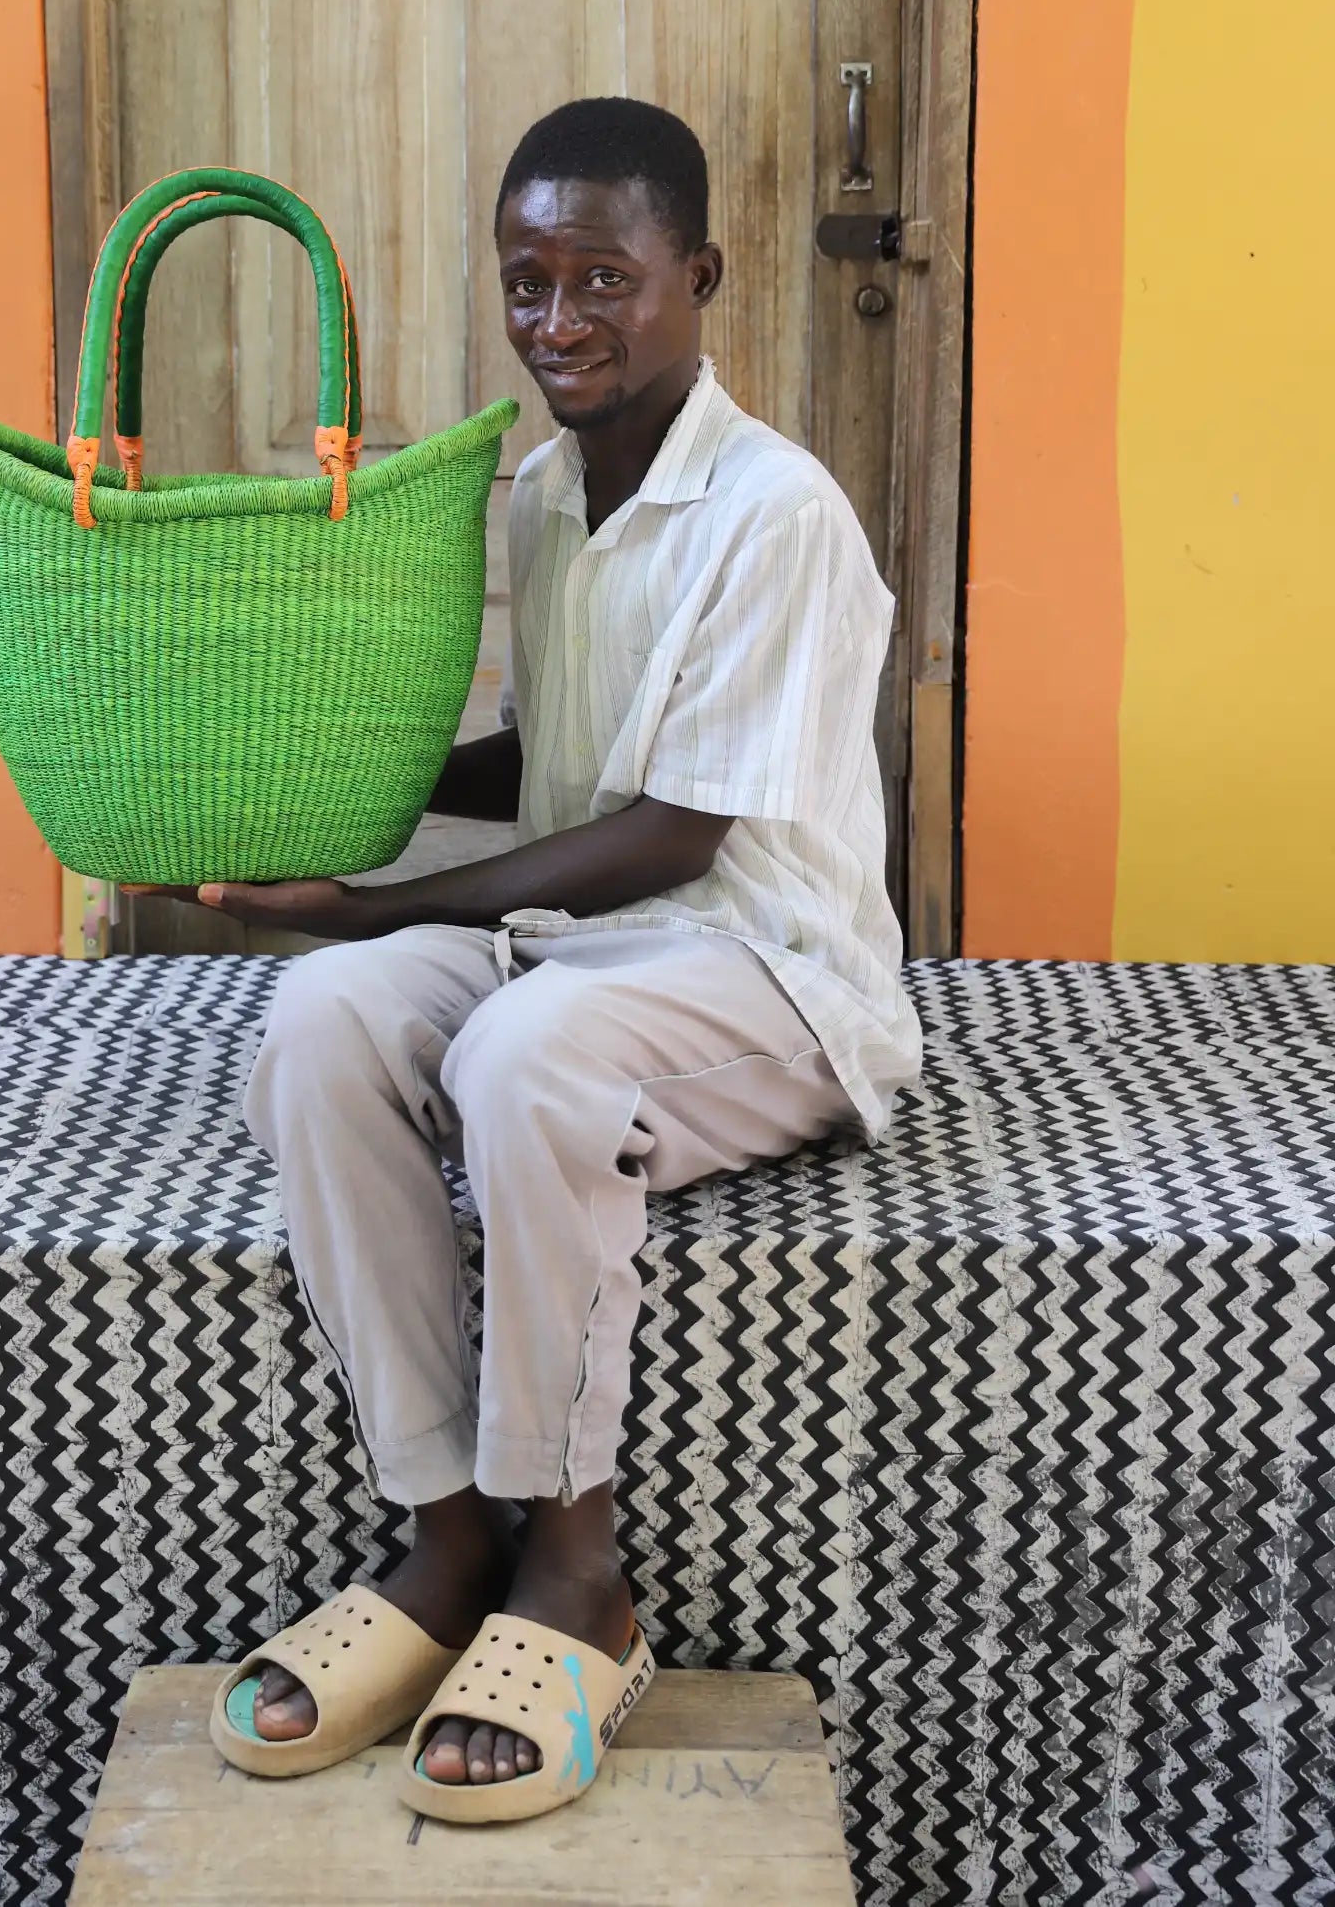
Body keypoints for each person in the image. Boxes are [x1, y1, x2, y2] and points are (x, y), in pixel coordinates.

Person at [173, 97, 921, 1823]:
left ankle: (574, 1562)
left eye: (605, 277)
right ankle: (443, 1538)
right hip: (588, 947)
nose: (560, 319)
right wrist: (331, 814)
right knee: (317, 1018)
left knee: (520, 1055)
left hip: (769, 975)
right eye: (527, 281)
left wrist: (385, 898)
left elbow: (674, 833)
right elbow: (555, 761)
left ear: (700, 276)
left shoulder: (776, 513)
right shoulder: (538, 495)